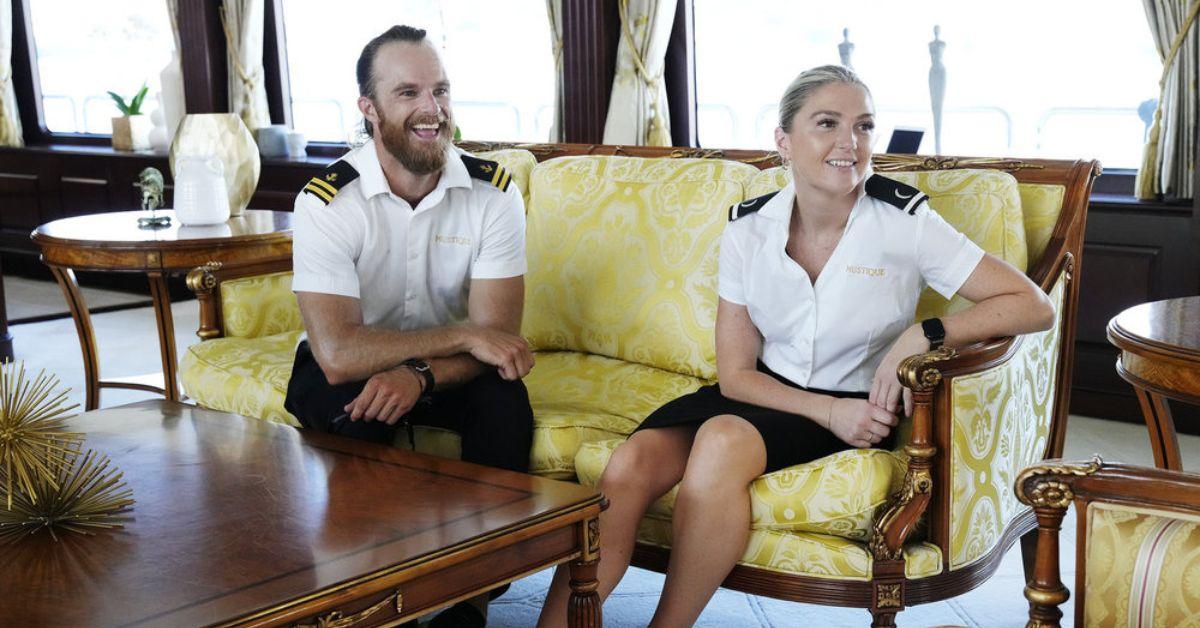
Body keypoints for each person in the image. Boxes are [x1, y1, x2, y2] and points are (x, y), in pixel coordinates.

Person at [537, 64, 1055, 627]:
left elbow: (1033, 304)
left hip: (852, 403)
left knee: (722, 438)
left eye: (863, 126)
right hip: (769, 393)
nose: (848, 143)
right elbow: (736, 377)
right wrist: (825, 411)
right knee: (628, 464)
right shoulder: (747, 231)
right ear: (783, 141)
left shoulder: (906, 222)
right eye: (826, 123)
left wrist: (923, 332)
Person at [283, 25, 535, 628]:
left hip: (452, 374)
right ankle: (363, 598)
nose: (432, 110)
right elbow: (340, 352)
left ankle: (471, 600)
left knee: (507, 404)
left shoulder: (493, 194)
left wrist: (421, 374)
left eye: (441, 91)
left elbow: (495, 344)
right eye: (408, 93)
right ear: (368, 109)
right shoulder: (326, 202)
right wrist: (458, 334)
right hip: (347, 368)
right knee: (357, 406)